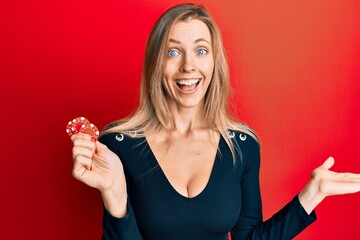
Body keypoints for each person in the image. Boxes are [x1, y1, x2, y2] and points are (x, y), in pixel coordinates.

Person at [70, 3, 360, 240]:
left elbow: (249, 238)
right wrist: (114, 195)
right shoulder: (118, 145)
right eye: (173, 52)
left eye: (200, 50)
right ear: (155, 63)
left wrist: (312, 195)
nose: (188, 65)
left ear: (214, 62)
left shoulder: (242, 145)